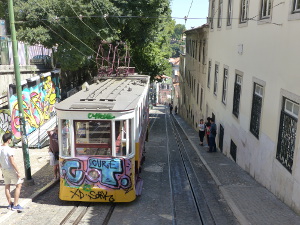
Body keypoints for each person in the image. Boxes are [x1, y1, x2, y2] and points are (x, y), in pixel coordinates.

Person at [0, 133, 24, 211]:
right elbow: (12, 162)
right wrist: (18, 171)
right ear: (8, 140)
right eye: (11, 139)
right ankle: (15, 204)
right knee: (18, 185)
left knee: (7, 186)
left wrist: (2, 170)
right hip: (10, 169)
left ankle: (10, 203)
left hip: (4, 169)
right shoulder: (9, 149)